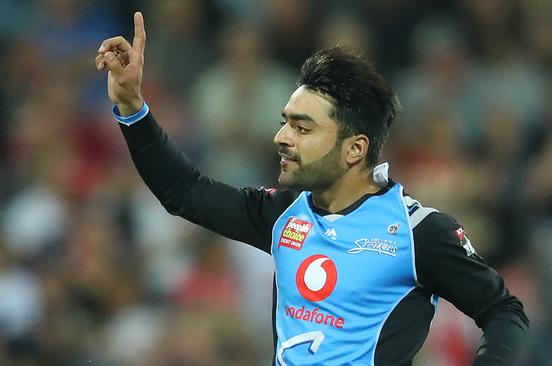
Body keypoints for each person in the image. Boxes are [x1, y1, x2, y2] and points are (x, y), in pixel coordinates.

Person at [95, 12, 529, 366]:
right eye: (285, 121)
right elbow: (184, 192)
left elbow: (504, 311)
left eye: (302, 128)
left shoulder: (418, 232)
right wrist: (132, 107)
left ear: (355, 148)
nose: (282, 137)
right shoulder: (282, 213)